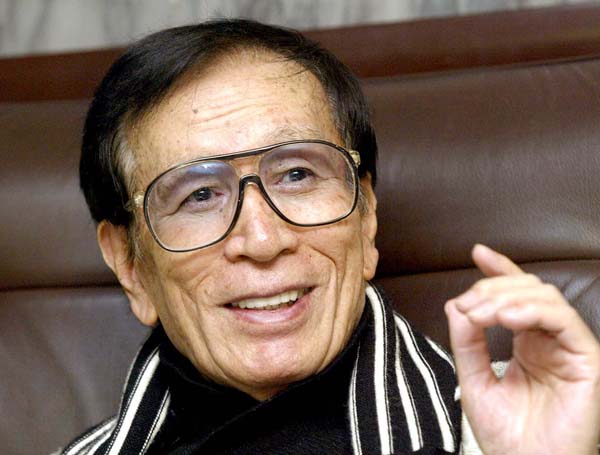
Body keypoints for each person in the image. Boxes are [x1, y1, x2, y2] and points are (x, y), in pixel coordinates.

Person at [60, 19, 600, 454]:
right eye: (198, 195)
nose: (263, 239)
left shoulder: (540, 425)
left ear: (366, 219)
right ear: (130, 265)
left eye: (297, 174)